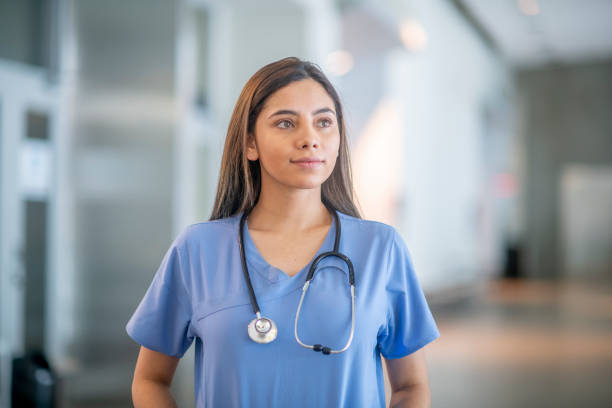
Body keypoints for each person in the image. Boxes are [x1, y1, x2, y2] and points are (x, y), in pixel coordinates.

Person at [126, 56, 440, 407]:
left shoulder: (381, 249)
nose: (309, 139)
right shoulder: (198, 251)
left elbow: (411, 387)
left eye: (324, 122)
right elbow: (150, 379)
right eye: (286, 124)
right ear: (250, 144)